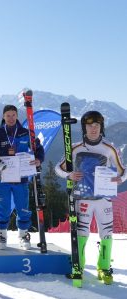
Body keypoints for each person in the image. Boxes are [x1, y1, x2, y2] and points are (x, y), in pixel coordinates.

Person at [55, 111, 126, 285]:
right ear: (84, 127)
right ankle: (79, 266)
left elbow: (123, 170)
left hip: (104, 199)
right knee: (82, 232)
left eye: (97, 125)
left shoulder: (109, 148)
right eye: (89, 125)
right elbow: (59, 168)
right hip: (83, 198)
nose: (93, 129)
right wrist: (69, 176)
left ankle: (103, 267)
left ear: (101, 127)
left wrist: (120, 179)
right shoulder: (76, 147)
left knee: (107, 233)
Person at [0, 105, 44, 250]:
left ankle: (23, 235)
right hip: (2, 177)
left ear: (17, 116)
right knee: (3, 208)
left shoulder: (26, 133)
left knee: (22, 207)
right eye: (8, 115)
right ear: (3, 117)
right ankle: (2, 234)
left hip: (21, 178)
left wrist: (38, 159)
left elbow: (38, 148)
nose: (11, 118)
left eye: (13, 115)